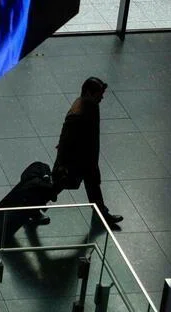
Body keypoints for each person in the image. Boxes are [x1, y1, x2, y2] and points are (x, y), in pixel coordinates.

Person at [53, 77, 124, 229]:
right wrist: (63, 162)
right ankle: (33, 207)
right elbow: (67, 137)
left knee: (93, 185)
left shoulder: (90, 105)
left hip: (86, 159)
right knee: (57, 186)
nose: (102, 97)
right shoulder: (79, 112)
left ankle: (101, 212)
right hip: (76, 160)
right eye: (99, 94)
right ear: (89, 93)